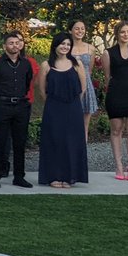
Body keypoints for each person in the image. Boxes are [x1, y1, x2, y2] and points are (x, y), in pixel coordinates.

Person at [37, 32, 89, 189]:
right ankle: (53, 176)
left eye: (68, 44)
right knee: (54, 141)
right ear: (56, 45)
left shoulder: (77, 64)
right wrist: (55, 104)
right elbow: (42, 90)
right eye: (62, 44)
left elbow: (83, 87)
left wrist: (72, 104)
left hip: (73, 108)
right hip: (53, 108)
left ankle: (70, 177)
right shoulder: (46, 65)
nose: (65, 47)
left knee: (71, 142)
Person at [0, 31, 34, 189]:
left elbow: (27, 83)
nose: (14, 45)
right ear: (4, 46)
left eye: (17, 43)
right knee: (0, 141)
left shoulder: (26, 64)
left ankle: (19, 176)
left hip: (21, 106)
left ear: (20, 45)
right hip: (2, 106)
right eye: (11, 43)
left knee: (20, 142)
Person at [101, 21, 128, 181]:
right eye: (122, 32)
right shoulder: (108, 53)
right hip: (115, 95)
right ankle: (119, 166)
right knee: (116, 130)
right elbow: (107, 77)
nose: (125, 35)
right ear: (117, 34)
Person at [69, 20, 98, 140]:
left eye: (82, 28)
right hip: (70, 86)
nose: (80, 31)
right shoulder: (66, 47)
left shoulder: (90, 48)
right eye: (77, 28)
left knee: (84, 125)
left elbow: (90, 70)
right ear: (70, 30)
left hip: (86, 87)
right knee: (70, 123)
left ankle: (83, 154)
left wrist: (85, 85)